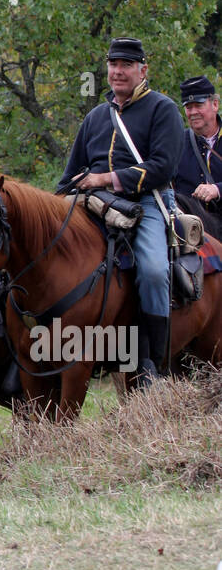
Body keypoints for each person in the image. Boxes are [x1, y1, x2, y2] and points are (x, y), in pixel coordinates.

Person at [56, 37, 182, 385]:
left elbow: (163, 167)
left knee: (155, 271)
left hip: (146, 201)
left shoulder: (163, 109)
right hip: (91, 204)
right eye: (113, 65)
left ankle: (155, 363)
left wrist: (107, 178)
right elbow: (69, 176)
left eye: (126, 65)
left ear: (143, 69)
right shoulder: (96, 117)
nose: (118, 72)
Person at [173, 75, 222, 235]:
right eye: (188, 107)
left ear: (215, 104)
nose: (193, 112)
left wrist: (218, 189)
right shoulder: (177, 142)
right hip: (192, 233)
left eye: (198, 105)